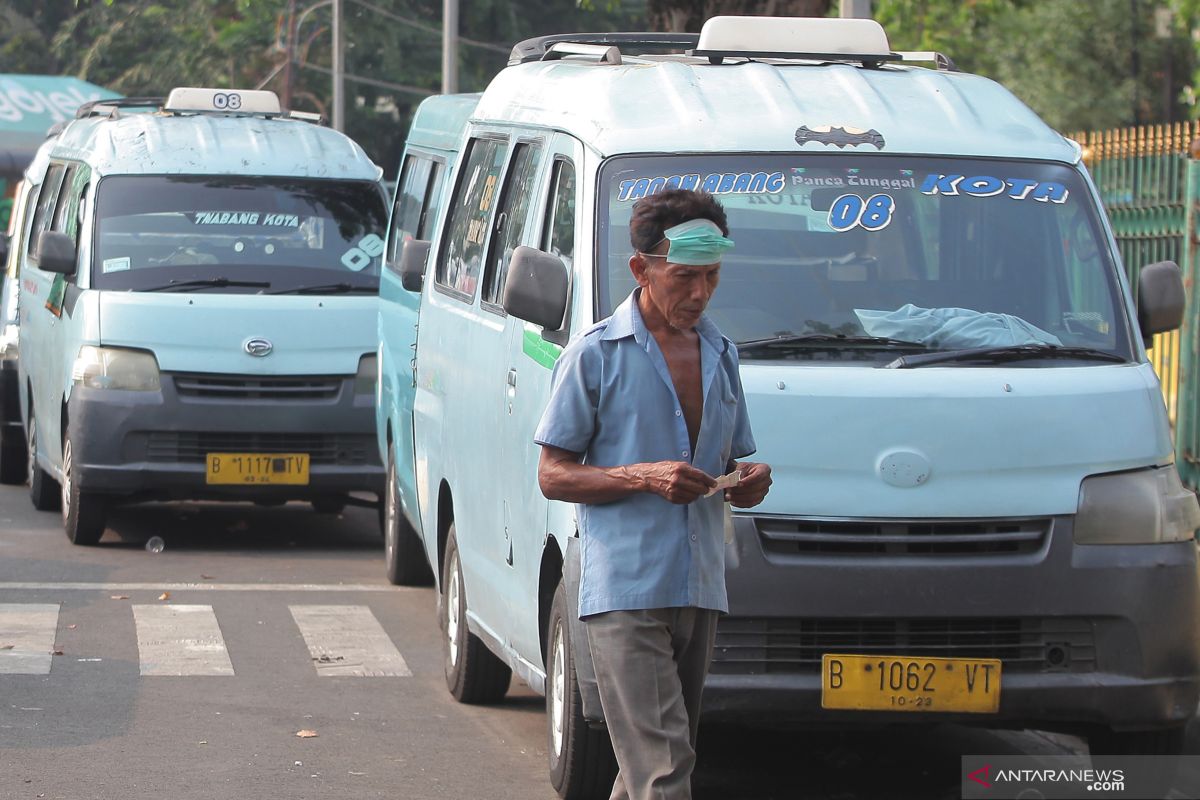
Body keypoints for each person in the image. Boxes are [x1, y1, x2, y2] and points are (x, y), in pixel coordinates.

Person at [534, 188, 772, 800]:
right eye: (685, 277)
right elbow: (553, 474)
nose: (699, 295)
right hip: (625, 590)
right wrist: (641, 476)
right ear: (642, 269)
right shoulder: (594, 354)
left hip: (698, 585)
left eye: (712, 277)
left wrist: (746, 482)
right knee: (664, 772)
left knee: (651, 770)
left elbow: (730, 463)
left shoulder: (721, 354)